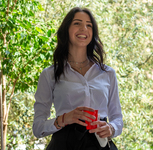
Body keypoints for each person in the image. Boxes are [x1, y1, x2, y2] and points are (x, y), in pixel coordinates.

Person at [33, 7, 123, 150]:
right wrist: (64, 119)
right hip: (64, 145)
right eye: (77, 23)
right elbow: (37, 128)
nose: (84, 28)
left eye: (89, 25)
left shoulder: (107, 73)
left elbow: (117, 118)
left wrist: (111, 128)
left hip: (100, 145)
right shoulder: (49, 74)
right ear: (66, 29)